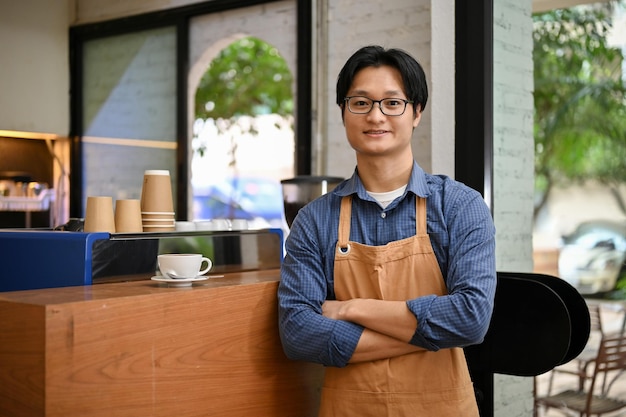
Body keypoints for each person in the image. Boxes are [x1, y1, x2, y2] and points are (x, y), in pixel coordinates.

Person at [277, 45, 496, 417]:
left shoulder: (459, 206)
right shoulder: (314, 220)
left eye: (392, 103)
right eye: (360, 102)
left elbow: (471, 318)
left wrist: (351, 308)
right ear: (344, 112)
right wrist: (429, 336)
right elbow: (298, 333)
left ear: (416, 113)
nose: (376, 116)